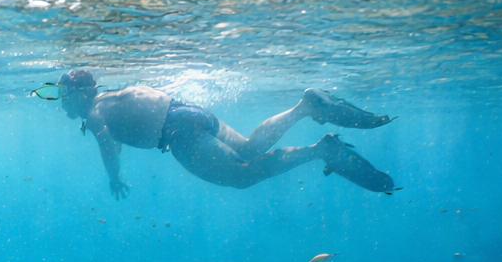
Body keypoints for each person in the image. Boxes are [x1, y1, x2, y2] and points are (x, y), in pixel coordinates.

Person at [47, 69, 396, 196]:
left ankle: (321, 150)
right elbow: (125, 129)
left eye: (63, 95)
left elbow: (107, 143)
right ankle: (304, 107)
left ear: (80, 93)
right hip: (187, 111)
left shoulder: (94, 112)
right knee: (248, 147)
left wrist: (113, 178)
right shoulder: (111, 100)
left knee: (240, 178)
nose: (61, 103)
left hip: (176, 132)